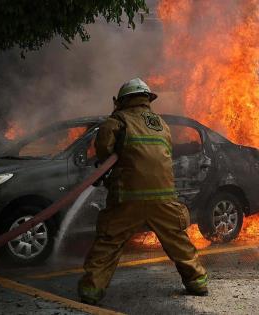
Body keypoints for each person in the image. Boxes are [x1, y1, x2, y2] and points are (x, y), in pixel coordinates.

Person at [77, 78, 208, 305]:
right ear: (147, 99)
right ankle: (198, 283)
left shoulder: (117, 120)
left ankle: (91, 291)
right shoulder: (160, 123)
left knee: (108, 242)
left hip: (128, 198)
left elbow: (103, 150)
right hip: (164, 198)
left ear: (122, 100)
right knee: (178, 241)